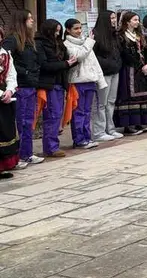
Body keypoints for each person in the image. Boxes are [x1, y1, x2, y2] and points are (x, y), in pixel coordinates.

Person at [2, 10, 44, 167]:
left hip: (31, 85)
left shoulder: (29, 40)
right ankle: (17, 155)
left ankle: (27, 153)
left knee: (28, 121)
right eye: (29, 18)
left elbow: (34, 61)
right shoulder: (12, 40)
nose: (32, 21)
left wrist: (34, 73)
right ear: (21, 21)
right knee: (20, 122)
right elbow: (7, 62)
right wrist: (24, 72)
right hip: (19, 87)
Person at [35, 19, 76, 158]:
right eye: (55, 31)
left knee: (57, 115)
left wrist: (71, 62)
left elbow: (65, 61)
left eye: (59, 31)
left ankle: (53, 145)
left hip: (60, 82)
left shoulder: (59, 43)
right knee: (52, 115)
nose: (57, 34)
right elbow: (44, 65)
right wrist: (65, 64)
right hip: (49, 84)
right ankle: (51, 147)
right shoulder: (40, 43)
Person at [63, 18, 104, 150]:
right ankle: (79, 140)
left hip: (90, 81)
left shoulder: (86, 42)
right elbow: (79, 56)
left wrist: (100, 80)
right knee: (78, 112)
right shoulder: (67, 44)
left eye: (80, 28)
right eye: (76, 28)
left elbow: (94, 63)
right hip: (77, 82)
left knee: (87, 112)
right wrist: (89, 42)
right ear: (68, 30)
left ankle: (87, 137)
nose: (79, 31)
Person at [115, 12, 147, 134]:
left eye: (138, 20)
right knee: (129, 96)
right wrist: (138, 64)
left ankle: (140, 122)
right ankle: (129, 125)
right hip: (129, 70)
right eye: (134, 20)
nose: (137, 22)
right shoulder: (121, 36)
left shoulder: (140, 35)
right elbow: (124, 54)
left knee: (142, 96)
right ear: (127, 22)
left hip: (142, 69)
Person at [91, 11, 124, 142]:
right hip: (103, 73)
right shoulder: (96, 35)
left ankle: (110, 128)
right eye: (112, 18)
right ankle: (99, 131)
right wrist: (108, 63)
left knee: (111, 101)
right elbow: (93, 56)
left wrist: (117, 63)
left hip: (115, 71)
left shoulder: (114, 34)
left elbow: (118, 52)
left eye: (115, 18)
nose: (114, 20)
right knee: (101, 103)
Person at [0, 29, 19, 179]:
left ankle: (2, 167)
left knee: (5, 131)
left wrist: (10, 90)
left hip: (4, 98)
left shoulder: (5, 54)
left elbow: (11, 75)